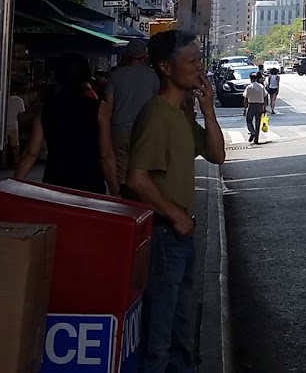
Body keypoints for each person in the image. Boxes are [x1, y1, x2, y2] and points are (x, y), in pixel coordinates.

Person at [124, 30, 226, 373]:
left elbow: (216, 154)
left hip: (180, 233)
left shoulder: (181, 114)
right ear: (166, 67)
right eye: (192, 61)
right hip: (165, 234)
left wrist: (208, 110)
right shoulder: (156, 115)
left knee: (181, 332)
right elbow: (136, 180)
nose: (200, 68)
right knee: (160, 334)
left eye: (200, 60)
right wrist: (176, 217)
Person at [15, 54, 115, 194]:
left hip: (54, 183)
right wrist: (115, 192)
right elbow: (106, 155)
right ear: (85, 76)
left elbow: (31, 153)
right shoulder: (100, 109)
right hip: (90, 185)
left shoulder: (46, 109)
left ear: (58, 76)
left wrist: (15, 184)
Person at [100, 39, 158, 191]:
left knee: (122, 171)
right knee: (144, 170)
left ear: (127, 55)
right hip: (146, 130)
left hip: (119, 130)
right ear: (144, 55)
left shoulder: (115, 76)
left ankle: (124, 203)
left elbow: (108, 105)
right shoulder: (153, 76)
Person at [4, 86, 26, 168]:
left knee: (4, 146)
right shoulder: (19, 100)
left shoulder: (3, 99)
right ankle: (16, 162)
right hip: (14, 125)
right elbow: (21, 114)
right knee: (15, 145)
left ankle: (3, 162)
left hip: (4, 125)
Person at [243, 74, 268, 145]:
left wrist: (245, 108)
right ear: (256, 79)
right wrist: (264, 107)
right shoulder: (261, 86)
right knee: (258, 122)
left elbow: (245, 99)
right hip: (260, 105)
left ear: (250, 79)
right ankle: (256, 139)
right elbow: (265, 97)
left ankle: (252, 131)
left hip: (252, 105)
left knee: (249, 120)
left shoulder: (249, 87)